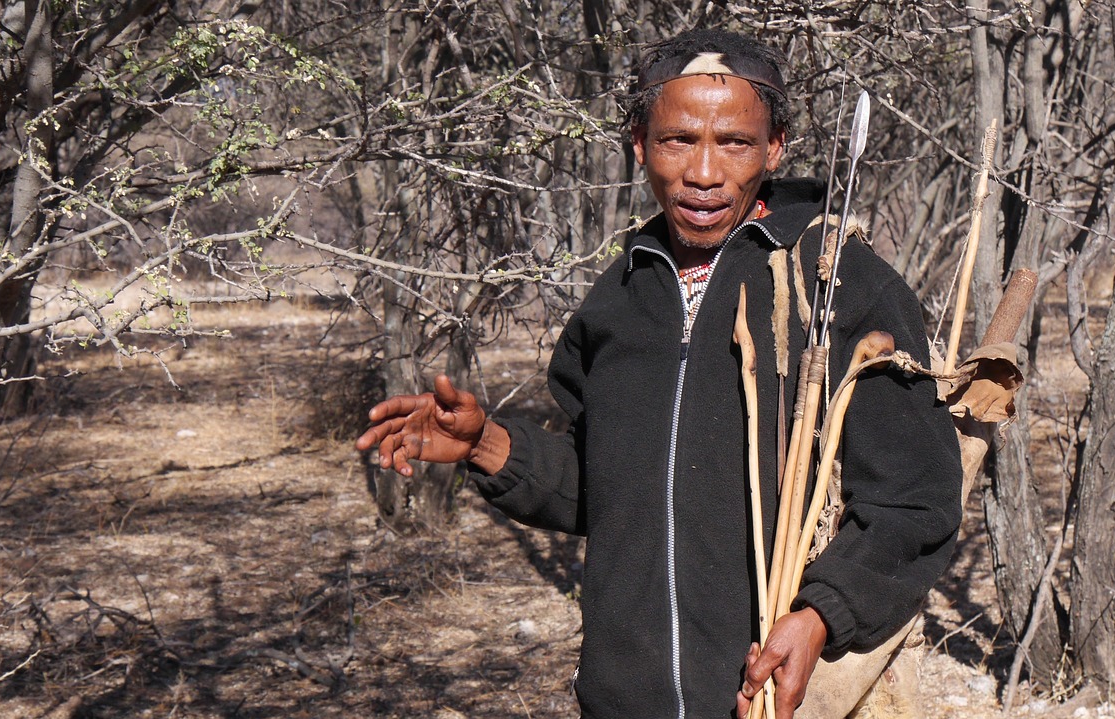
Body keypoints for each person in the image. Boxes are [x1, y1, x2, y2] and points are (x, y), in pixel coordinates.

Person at [356, 29, 962, 719]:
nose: (704, 172)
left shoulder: (834, 283)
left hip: (771, 701)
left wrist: (823, 612)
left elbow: (917, 501)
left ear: (775, 146)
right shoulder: (620, 297)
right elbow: (617, 487)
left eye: (733, 142)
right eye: (677, 140)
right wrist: (487, 446)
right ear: (640, 144)